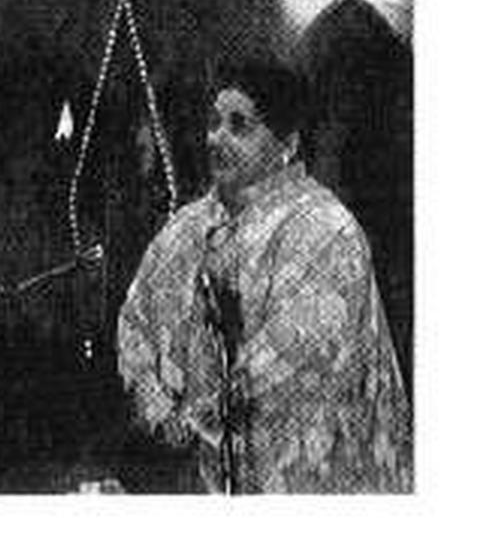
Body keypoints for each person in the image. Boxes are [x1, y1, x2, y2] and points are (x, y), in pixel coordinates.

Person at [117, 57, 411, 492]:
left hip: (302, 477)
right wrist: (158, 408)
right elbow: (135, 320)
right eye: (214, 123)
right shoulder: (187, 227)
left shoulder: (327, 229)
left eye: (240, 126)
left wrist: (200, 414)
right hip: (201, 474)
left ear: (286, 143)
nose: (218, 138)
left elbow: (299, 351)